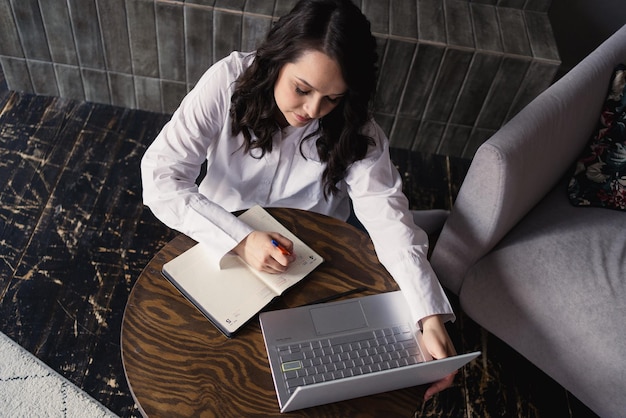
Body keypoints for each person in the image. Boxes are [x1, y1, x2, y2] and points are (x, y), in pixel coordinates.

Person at [141, 0, 457, 401]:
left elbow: (388, 216)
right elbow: (159, 175)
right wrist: (240, 239)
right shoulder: (228, 81)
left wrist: (428, 314)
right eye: (302, 89)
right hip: (219, 229)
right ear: (278, 58)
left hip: (315, 250)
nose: (312, 110)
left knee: (317, 369)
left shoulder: (357, 129)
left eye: (332, 99)